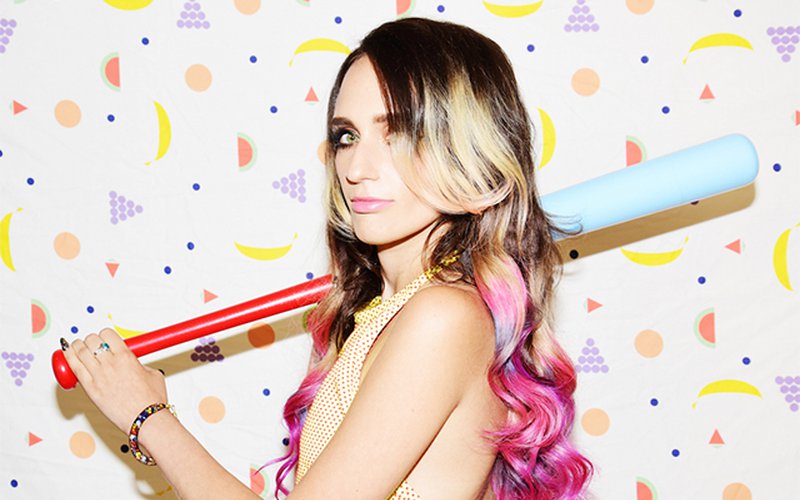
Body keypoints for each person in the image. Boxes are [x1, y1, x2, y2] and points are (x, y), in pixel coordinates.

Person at [62, 17, 593, 500]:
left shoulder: (442, 317)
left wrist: (147, 417)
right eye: (346, 136)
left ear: (470, 153)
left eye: (398, 135)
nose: (357, 168)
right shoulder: (393, 310)